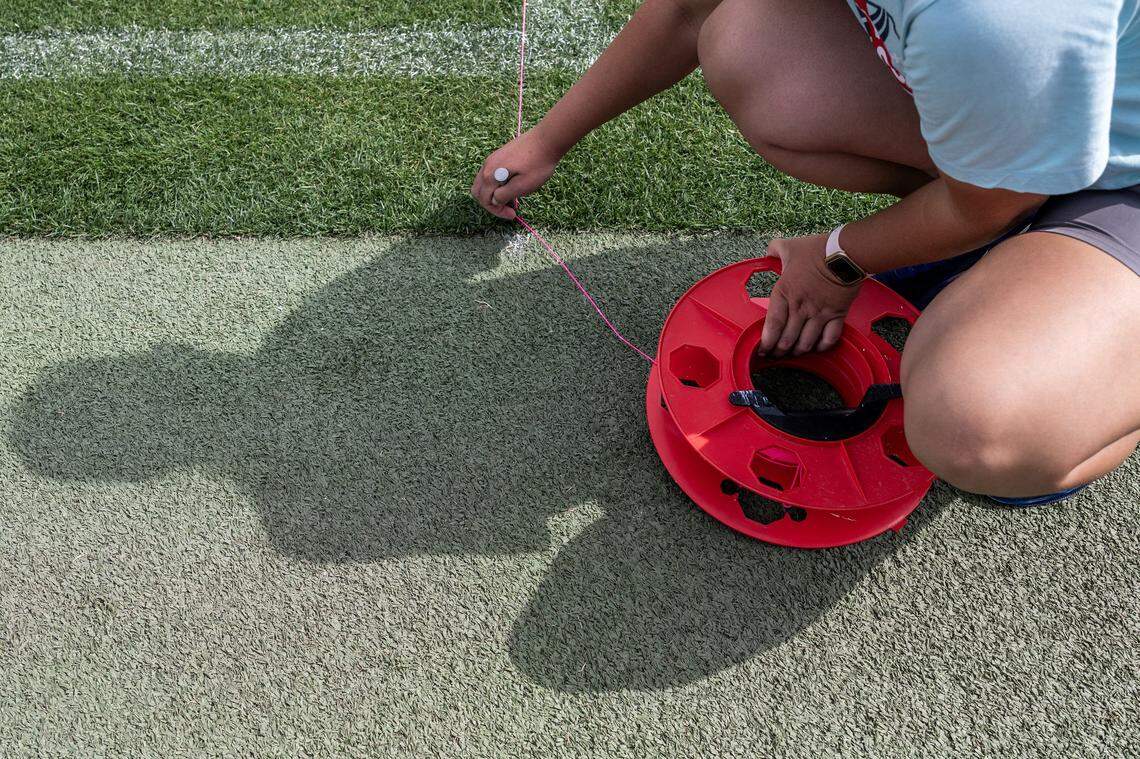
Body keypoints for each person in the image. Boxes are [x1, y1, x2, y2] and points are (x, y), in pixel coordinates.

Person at [471, 0, 1140, 506]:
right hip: (1031, 122)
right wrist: (549, 139)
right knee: (749, 44)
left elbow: (993, 203)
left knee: (978, 429)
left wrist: (837, 259)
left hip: (1121, 180)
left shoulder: (996, 21)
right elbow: (689, 10)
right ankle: (1025, 259)